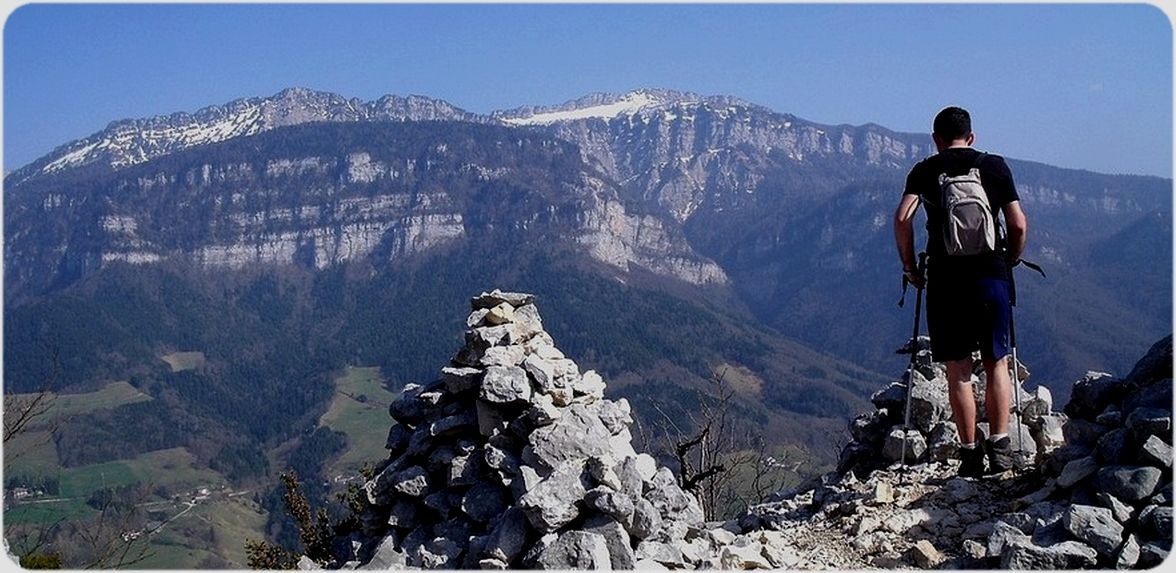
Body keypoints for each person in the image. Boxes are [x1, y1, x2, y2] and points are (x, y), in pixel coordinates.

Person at [893, 106, 1028, 477]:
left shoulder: (924, 171)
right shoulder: (994, 166)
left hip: (945, 281)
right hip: (991, 276)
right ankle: (1000, 447)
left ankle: (969, 455)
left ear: (936, 139)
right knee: (996, 363)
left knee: (959, 370)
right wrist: (1010, 259)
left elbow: (902, 219)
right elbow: (1017, 224)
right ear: (971, 137)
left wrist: (909, 267)